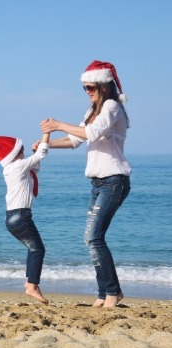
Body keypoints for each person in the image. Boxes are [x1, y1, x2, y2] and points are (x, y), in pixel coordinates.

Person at [41, 60, 131, 308]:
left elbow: (92, 134)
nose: (88, 91)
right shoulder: (93, 111)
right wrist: (46, 143)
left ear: (104, 85)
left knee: (94, 236)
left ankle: (112, 293)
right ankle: (104, 294)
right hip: (98, 182)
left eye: (91, 87)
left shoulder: (112, 106)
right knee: (92, 238)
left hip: (114, 180)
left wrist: (57, 124)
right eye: (85, 88)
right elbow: (74, 140)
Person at [0, 130, 50, 304]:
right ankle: (31, 286)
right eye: (22, 150)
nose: (24, 152)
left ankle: (31, 284)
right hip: (20, 217)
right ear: (13, 153)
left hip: (13, 218)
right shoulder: (18, 166)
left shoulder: (13, 168)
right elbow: (42, 155)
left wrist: (35, 153)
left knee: (34, 249)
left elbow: (36, 166)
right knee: (37, 250)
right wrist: (46, 134)